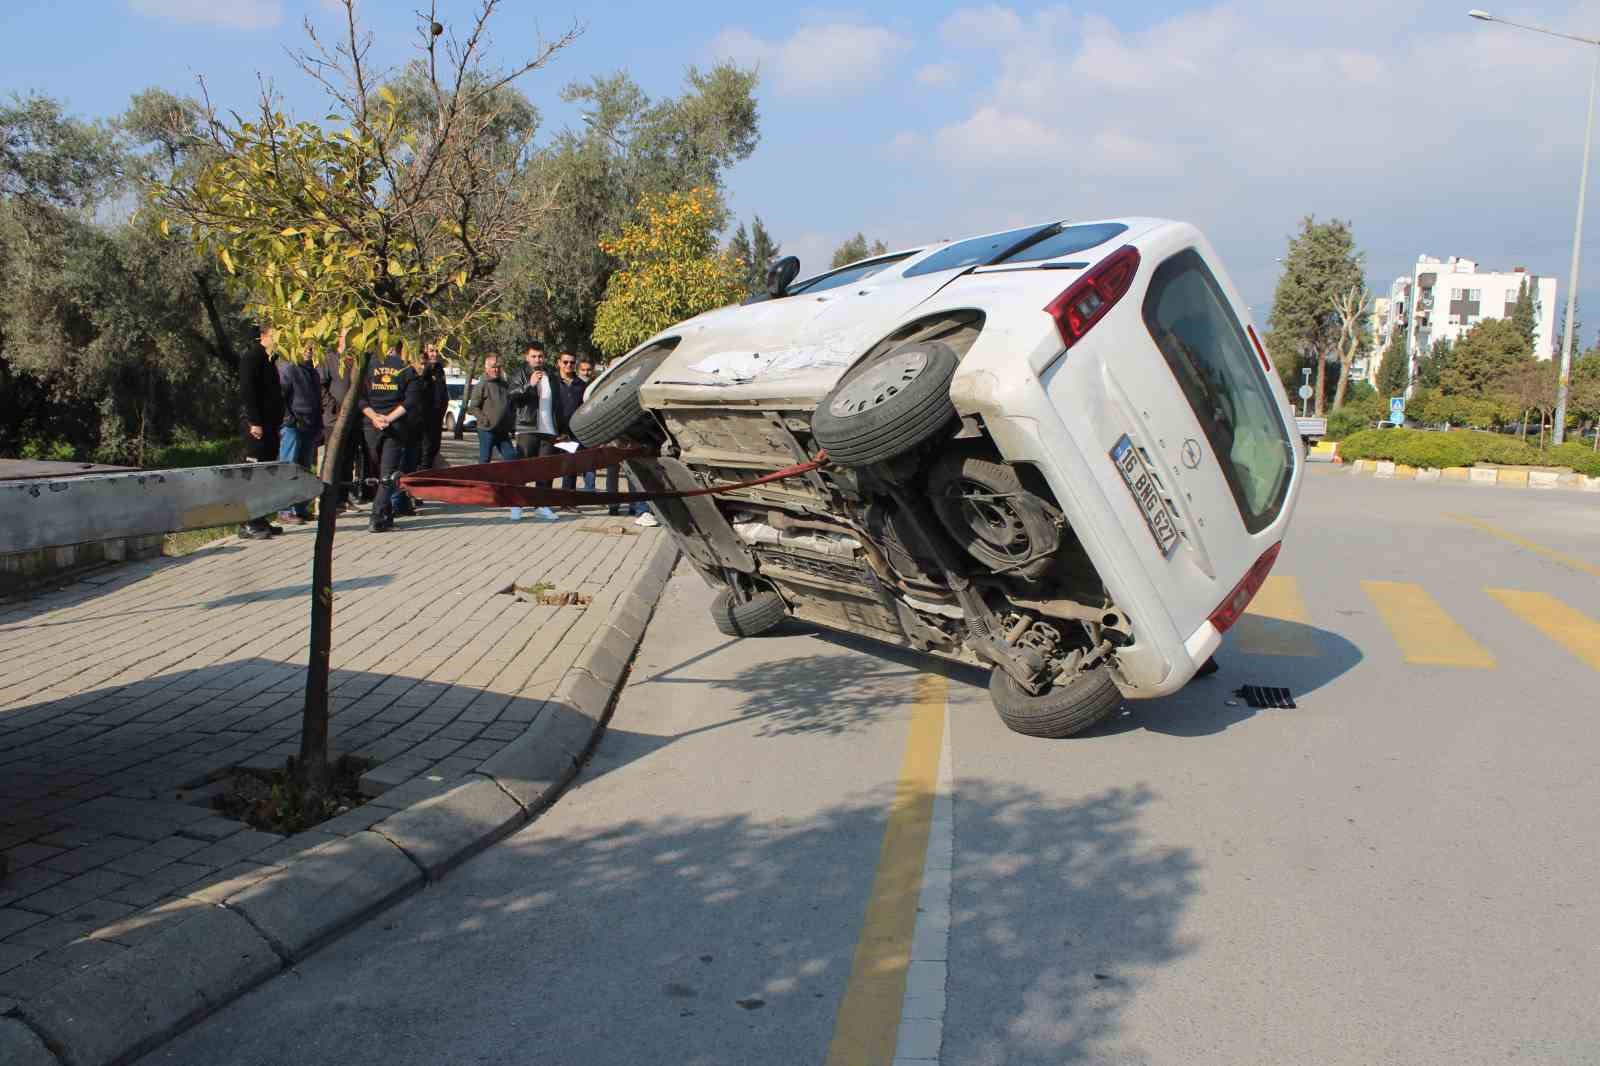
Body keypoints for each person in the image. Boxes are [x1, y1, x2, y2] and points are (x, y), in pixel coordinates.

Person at [359, 338, 427, 533]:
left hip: (370, 425)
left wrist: (374, 417)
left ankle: (385, 515)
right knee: (388, 475)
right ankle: (377, 517)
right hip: (394, 426)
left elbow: (359, 398)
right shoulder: (406, 368)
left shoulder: (366, 366)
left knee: (378, 473)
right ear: (399, 348)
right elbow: (412, 400)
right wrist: (389, 418)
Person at [238, 322, 285, 540]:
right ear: (265, 335)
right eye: (277, 333)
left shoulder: (269, 360)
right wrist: (254, 422)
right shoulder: (252, 358)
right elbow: (248, 392)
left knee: (266, 473)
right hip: (257, 427)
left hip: (271, 425)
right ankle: (247, 522)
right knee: (253, 473)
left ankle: (261, 517)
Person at [507, 344, 558, 521]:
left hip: (548, 429)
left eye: (541, 356)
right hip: (527, 427)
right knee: (523, 468)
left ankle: (541, 505)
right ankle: (516, 504)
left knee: (544, 470)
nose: (538, 359)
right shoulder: (520, 373)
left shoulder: (551, 375)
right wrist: (530, 385)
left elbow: (557, 403)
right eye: (534, 356)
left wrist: (560, 429)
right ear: (527, 357)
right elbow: (512, 395)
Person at [276, 344, 324, 526]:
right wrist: (289, 420)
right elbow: (282, 397)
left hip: (310, 426)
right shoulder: (289, 369)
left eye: (312, 348)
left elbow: (317, 400)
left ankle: (300, 509)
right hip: (294, 426)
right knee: (289, 467)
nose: (309, 351)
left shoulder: (312, 371)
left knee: (304, 469)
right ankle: (284, 510)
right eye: (305, 347)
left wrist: (318, 425)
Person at [550, 352, 588, 496]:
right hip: (553, 431)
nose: (568, 365)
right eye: (565, 362)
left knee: (570, 467)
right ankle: (544, 500)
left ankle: (567, 500)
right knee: (549, 467)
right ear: (559, 363)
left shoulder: (581, 385)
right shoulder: (551, 381)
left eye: (572, 363)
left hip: (573, 432)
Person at [470, 354, 518, 465]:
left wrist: (511, 423)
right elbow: (473, 407)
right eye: (492, 367)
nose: (495, 370)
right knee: (485, 459)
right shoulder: (482, 385)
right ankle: (480, 481)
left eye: (498, 367)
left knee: (511, 457)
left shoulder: (505, 385)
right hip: (487, 430)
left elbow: (511, 405)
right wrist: (484, 420)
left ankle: (506, 481)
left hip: (502, 430)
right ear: (486, 368)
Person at [419, 342, 449, 471]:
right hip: (424, 419)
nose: (434, 354)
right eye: (431, 351)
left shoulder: (439, 369)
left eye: (436, 351)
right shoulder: (422, 370)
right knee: (425, 451)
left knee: (434, 449)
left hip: (437, 417)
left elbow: (442, 392)